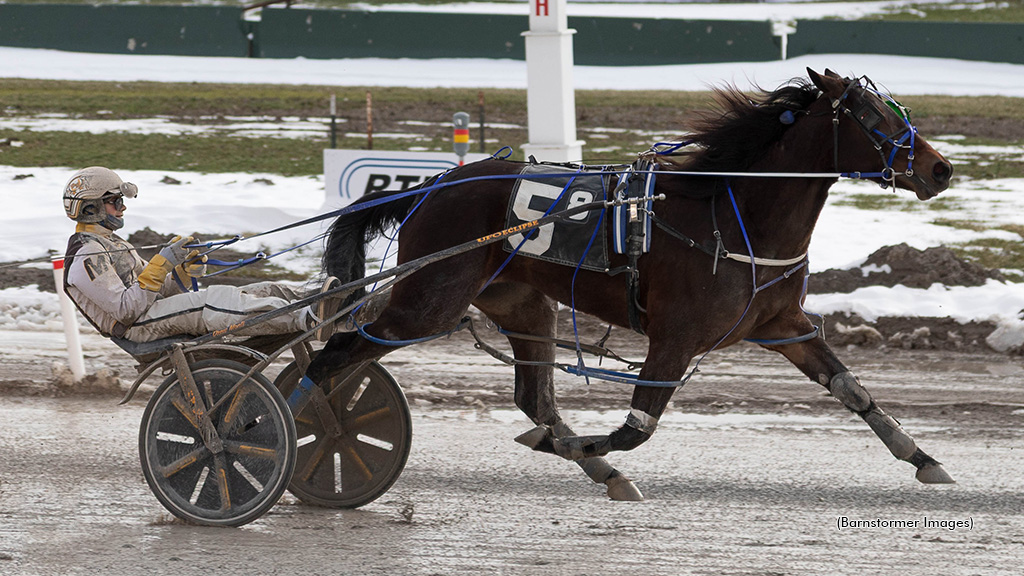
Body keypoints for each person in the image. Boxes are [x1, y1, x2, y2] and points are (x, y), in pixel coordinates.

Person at [61, 166, 340, 344]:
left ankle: (318, 301)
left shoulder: (111, 243)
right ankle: (308, 318)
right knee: (213, 302)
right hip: (137, 327)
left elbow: (160, 293)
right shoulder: (86, 255)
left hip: (148, 314)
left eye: (120, 202)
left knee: (259, 289)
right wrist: (163, 263)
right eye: (115, 202)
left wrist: (181, 273)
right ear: (90, 208)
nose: (122, 208)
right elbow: (127, 310)